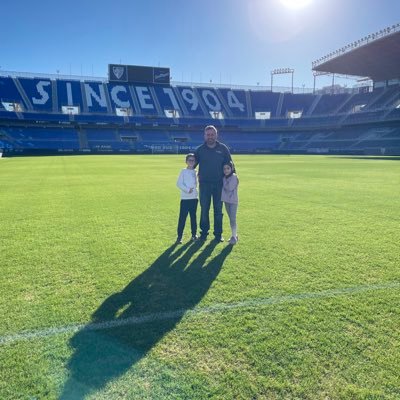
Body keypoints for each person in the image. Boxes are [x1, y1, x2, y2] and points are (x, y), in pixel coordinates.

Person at [194, 125, 233, 242]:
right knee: (204, 209)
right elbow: (192, 166)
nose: (210, 137)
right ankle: (204, 233)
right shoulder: (200, 150)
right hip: (204, 185)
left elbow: (230, 165)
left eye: (212, 134)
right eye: (208, 134)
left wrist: (232, 181)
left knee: (218, 210)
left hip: (219, 185)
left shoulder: (223, 148)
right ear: (204, 136)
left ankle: (218, 234)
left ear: (216, 135)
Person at [176, 153, 198, 244]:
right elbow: (179, 184)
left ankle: (194, 235)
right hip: (185, 199)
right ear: (186, 161)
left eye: (193, 160)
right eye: (189, 160)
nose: (191, 162)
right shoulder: (183, 171)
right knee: (182, 218)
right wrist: (187, 189)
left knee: (193, 217)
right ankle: (179, 236)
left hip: (194, 198)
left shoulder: (196, 172)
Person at [221, 161, 239, 245]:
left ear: (232, 168)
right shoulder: (224, 177)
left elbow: (229, 188)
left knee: (232, 218)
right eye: (224, 169)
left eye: (228, 168)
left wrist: (222, 183)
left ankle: (234, 237)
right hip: (226, 200)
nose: (226, 170)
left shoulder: (234, 177)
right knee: (230, 218)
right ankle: (235, 235)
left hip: (233, 201)